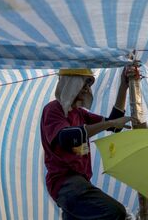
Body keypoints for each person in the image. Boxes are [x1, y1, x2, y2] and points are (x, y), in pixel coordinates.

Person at [40, 68, 135, 220]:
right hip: (66, 183)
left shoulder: (79, 114)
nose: (87, 89)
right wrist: (110, 123)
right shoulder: (53, 109)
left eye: (88, 84)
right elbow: (67, 137)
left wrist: (124, 85)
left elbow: (113, 124)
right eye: (84, 83)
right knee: (117, 212)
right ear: (70, 83)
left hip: (78, 183)